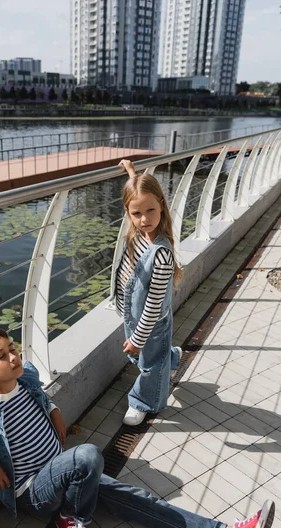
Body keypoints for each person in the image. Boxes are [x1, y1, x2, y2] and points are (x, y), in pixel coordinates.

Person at [0, 328, 275, 528]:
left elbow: (39, 394)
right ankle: (71, 516)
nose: (14, 358)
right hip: (34, 491)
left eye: (12, 349)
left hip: (64, 471)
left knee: (139, 499)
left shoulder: (27, 375)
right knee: (88, 454)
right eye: (2, 357)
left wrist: (52, 408)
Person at [114, 159, 182, 426]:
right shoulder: (139, 230)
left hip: (151, 323)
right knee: (146, 356)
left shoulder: (161, 254)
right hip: (134, 316)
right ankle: (171, 356)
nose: (144, 219)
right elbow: (138, 195)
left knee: (149, 364)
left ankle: (144, 402)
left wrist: (138, 339)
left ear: (162, 205)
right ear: (128, 213)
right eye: (136, 213)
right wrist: (131, 173)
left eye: (151, 210)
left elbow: (154, 305)